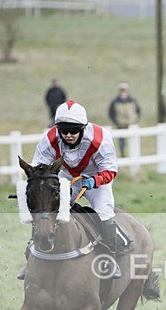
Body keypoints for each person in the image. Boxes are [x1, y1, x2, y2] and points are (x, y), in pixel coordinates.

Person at [24, 100, 121, 279]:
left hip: (96, 179)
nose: (68, 135)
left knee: (104, 211)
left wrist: (95, 180)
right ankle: (32, 252)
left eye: (74, 130)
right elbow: (39, 169)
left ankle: (110, 259)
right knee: (46, 209)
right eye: (64, 130)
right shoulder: (49, 139)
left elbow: (110, 170)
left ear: (83, 128)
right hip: (66, 178)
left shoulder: (100, 138)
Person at [107, 82, 141, 155]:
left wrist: (135, 119)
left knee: (132, 140)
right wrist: (116, 121)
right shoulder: (114, 102)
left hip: (131, 124)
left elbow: (138, 111)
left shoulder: (133, 100)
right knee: (121, 141)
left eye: (124, 90)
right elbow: (111, 113)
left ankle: (133, 154)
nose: (123, 92)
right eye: (121, 90)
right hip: (120, 124)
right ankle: (123, 154)